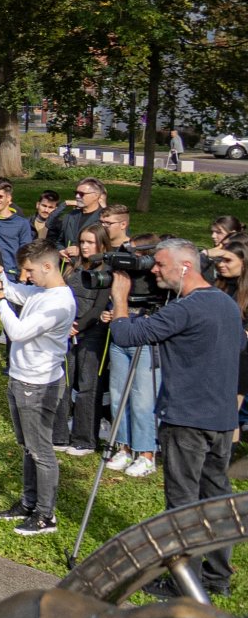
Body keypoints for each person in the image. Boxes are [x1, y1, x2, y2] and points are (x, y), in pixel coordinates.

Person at [111, 238, 248, 597]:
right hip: (220, 420)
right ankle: (218, 579)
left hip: (187, 419)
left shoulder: (185, 309)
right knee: (215, 501)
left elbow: (126, 334)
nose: (154, 270)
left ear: (184, 266)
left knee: (183, 505)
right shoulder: (226, 304)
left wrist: (121, 297)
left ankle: (184, 584)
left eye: (159, 264)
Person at [0, 240, 78, 537]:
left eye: (30, 270)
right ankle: (28, 502)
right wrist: (1, 281)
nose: (26, 276)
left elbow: (18, 331)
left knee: (41, 451)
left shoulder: (59, 302)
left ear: (48, 266)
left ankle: (45, 515)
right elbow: (14, 290)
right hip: (21, 379)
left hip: (38, 384)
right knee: (27, 448)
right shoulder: (42, 291)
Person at [101, 208, 159, 479]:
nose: (130, 259)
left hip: (144, 340)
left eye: (136, 254)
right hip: (119, 338)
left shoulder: (155, 281)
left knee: (142, 399)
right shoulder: (124, 276)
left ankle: (146, 453)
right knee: (118, 396)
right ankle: (123, 448)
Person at [63, 224, 114, 458]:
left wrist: (78, 326)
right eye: (82, 241)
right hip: (66, 329)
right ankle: (60, 433)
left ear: (102, 244)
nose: (84, 246)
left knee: (87, 385)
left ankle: (85, 438)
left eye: (90, 242)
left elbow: (99, 306)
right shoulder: (74, 267)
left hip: (91, 331)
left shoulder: (107, 270)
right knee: (64, 381)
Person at [0, 177, 34, 272]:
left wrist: (23, 272)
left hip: (10, 271)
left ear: (9, 198)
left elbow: (25, 250)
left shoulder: (21, 222)